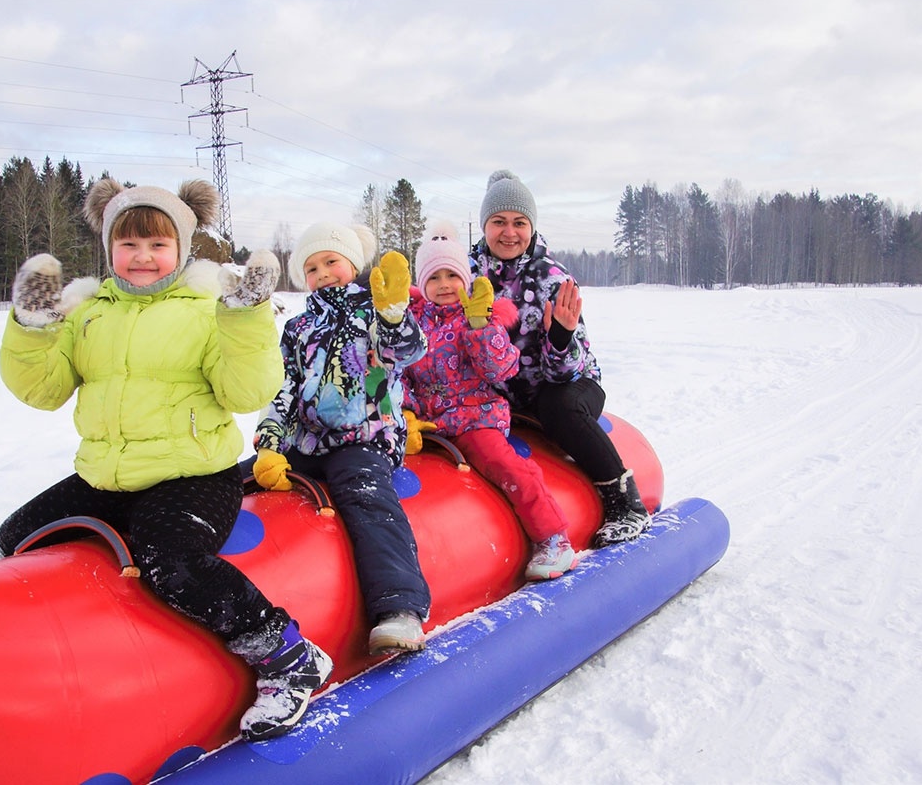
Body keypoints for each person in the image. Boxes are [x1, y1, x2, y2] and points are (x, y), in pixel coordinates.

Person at [0, 177, 330, 742]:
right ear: (108, 248)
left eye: (158, 244)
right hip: (110, 477)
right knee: (19, 535)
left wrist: (245, 321)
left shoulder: (207, 308)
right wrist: (32, 329)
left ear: (182, 245)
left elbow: (244, 393)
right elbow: (44, 390)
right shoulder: (89, 313)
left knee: (168, 558)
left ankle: (285, 653)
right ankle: (72, 660)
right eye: (129, 244)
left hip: (195, 474)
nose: (143, 257)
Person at [250, 222, 432, 656]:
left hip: (367, 438)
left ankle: (399, 607)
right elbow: (284, 387)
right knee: (243, 479)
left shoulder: (375, 310)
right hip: (310, 442)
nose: (323, 272)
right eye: (311, 267)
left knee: (366, 495)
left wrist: (393, 316)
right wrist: (271, 442)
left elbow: (408, 351)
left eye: (331, 261)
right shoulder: (297, 327)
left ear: (352, 262)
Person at [471, 170, 651, 546]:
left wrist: (560, 335)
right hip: (502, 395)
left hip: (567, 383)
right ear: (484, 226)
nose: (509, 232)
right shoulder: (468, 278)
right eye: (498, 222)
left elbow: (565, 372)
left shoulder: (552, 277)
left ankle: (624, 501)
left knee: (557, 405)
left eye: (519, 223)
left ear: (532, 228)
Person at [403, 220, 579, 580]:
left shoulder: (479, 316)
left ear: (465, 281)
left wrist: (481, 330)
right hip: (427, 423)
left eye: (452, 276)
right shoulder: (412, 322)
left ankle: (553, 537)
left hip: (473, 416)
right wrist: (405, 410)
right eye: (434, 278)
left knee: (504, 464)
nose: (444, 286)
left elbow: (502, 368)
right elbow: (401, 371)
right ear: (422, 284)